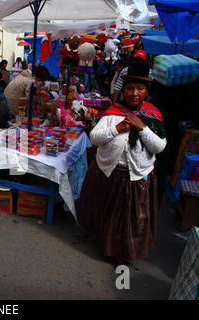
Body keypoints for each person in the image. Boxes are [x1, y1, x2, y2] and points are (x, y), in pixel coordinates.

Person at [76, 60, 167, 265]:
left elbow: (159, 147)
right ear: (123, 90)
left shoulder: (152, 115)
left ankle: (124, 253)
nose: (135, 93)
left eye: (140, 89)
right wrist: (117, 129)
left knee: (129, 220)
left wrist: (141, 128)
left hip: (137, 177)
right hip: (110, 173)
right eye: (130, 88)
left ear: (146, 92)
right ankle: (107, 246)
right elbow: (95, 138)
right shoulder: (112, 113)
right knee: (109, 215)